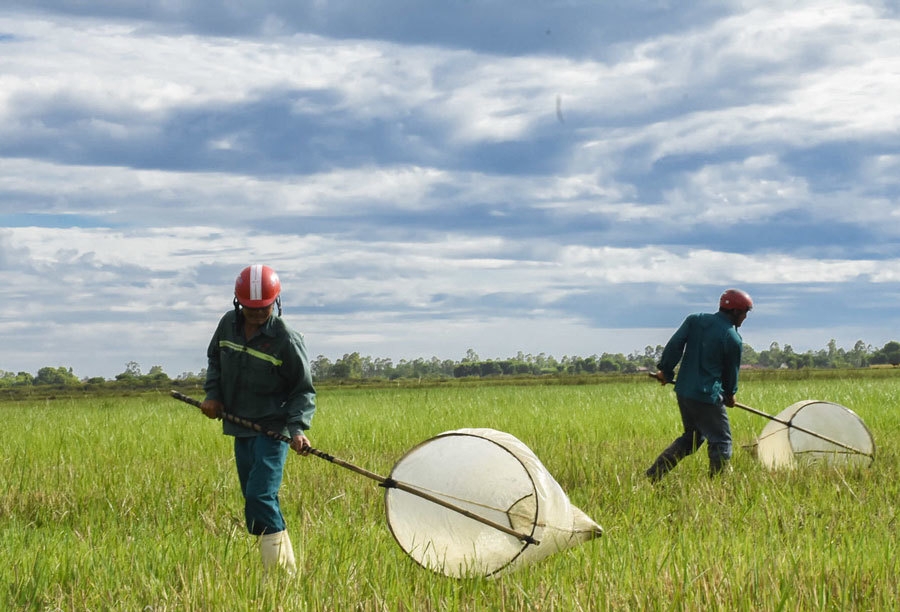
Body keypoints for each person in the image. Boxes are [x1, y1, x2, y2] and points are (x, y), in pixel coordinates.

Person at [200, 264, 317, 574]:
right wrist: (213, 396)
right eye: (250, 308)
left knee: (259, 495)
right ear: (238, 303)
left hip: (273, 429)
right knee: (253, 501)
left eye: (263, 308)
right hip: (240, 426)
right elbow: (215, 358)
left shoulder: (286, 339)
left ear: (275, 302)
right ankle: (280, 568)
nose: (256, 313)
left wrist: (298, 429)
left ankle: (281, 575)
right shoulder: (228, 324)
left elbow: (302, 390)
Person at [645, 288, 753, 481]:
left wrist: (666, 371)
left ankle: (653, 475)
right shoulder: (733, 338)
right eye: (745, 313)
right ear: (736, 312)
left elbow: (675, 344)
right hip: (707, 396)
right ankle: (716, 485)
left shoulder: (695, 320)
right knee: (721, 440)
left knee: (692, 438)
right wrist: (730, 394)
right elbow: (731, 373)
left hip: (684, 392)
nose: (745, 317)